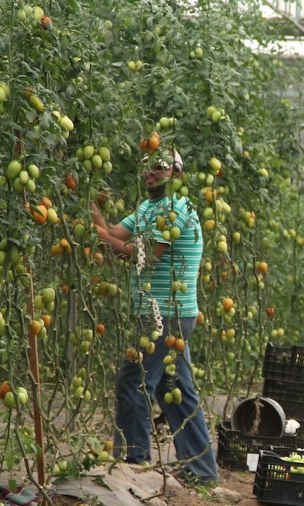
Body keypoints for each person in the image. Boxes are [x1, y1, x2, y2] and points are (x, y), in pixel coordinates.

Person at [90, 148, 218, 485]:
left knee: (133, 383)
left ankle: (135, 463)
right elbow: (117, 234)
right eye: (148, 167)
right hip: (165, 315)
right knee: (176, 390)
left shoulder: (176, 209)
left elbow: (141, 256)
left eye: (160, 168)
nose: (151, 173)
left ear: (177, 174)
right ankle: (202, 471)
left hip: (166, 316)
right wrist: (87, 207)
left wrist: (102, 237)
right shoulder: (149, 208)